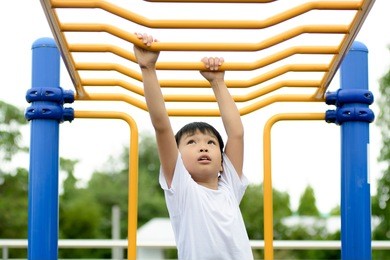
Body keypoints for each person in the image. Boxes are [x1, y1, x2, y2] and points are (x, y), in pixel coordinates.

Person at [133, 32, 253, 260]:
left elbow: (236, 133)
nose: (203, 147)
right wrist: (148, 69)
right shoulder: (183, 188)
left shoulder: (229, 188)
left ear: (222, 162)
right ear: (177, 157)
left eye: (211, 142)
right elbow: (162, 127)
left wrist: (218, 82)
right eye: (192, 142)